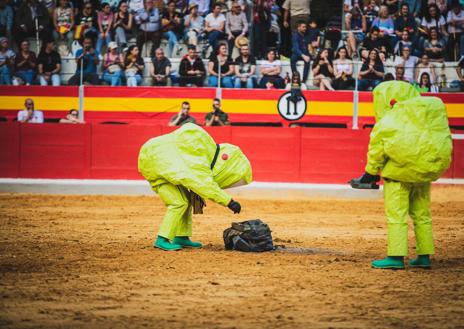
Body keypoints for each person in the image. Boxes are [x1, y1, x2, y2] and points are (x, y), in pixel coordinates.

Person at [351, 81, 452, 269]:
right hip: (422, 174)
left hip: (397, 176)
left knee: (397, 215)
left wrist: (370, 174)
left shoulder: (387, 122)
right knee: (422, 214)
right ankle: (424, 256)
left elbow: (376, 154)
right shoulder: (425, 118)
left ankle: (396, 257)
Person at [138, 123, 251, 251]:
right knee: (178, 203)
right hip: (157, 166)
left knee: (185, 201)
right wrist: (229, 202)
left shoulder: (202, 149)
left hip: (156, 161)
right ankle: (162, 239)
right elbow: (204, 185)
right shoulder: (200, 160)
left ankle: (181, 236)